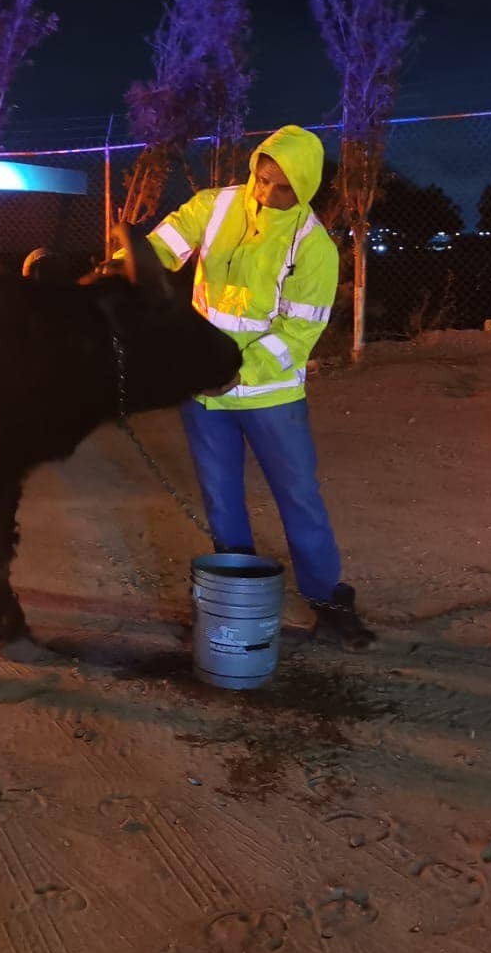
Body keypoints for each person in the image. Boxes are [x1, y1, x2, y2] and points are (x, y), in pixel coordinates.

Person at [146, 124, 374, 650]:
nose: (267, 194)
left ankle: (328, 602)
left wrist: (235, 373)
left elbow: (297, 334)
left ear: (307, 188)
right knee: (222, 501)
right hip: (205, 395)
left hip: (270, 398)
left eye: (283, 187)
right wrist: (125, 267)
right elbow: (164, 245)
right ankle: (236, 600)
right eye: (263, 179)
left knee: (299, 497)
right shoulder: (217, 206)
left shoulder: (313, 248)